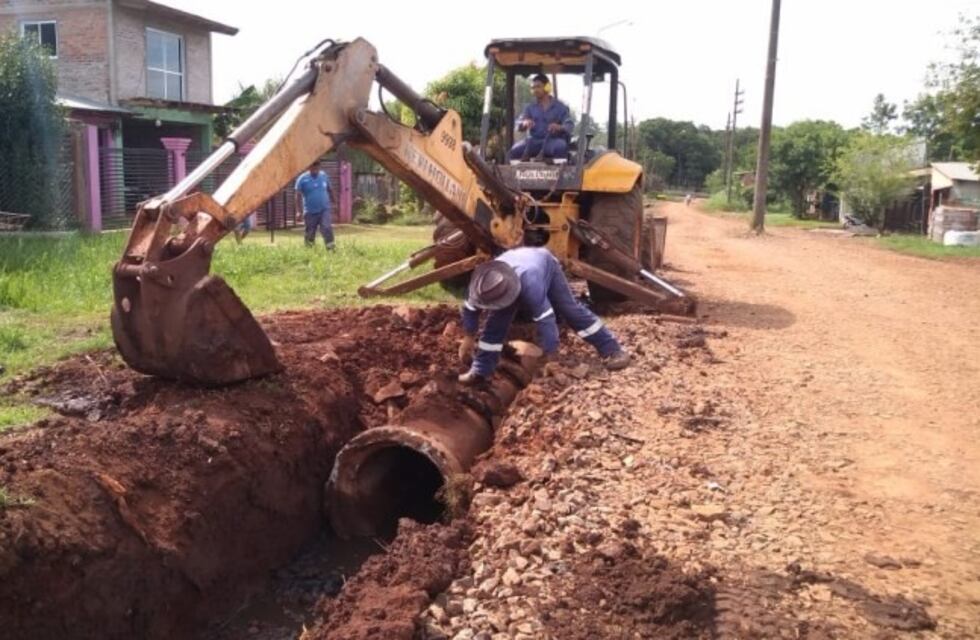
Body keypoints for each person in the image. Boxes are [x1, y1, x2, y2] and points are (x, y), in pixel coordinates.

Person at [457, 247, 631, 385]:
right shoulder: (481, 286)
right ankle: (480, 370)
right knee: (495, 323)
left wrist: (550, 356)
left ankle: (612, 349)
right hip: (513, 268)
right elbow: (470, 309)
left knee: (569, 310)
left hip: (544, 264)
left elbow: (547, 320)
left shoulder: (531, 285)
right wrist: (469, 336)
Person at [509, 74, 574, 162]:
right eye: (533, 88)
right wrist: (524, 123)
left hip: (552, 141)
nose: (535, 90)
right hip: (533, 142)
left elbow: (569, 125)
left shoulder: (560, 107)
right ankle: (515, 174)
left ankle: (560, 174)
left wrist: (559, 127)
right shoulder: (529, 108)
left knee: (561, 146)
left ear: (547, 87)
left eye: (538, 87)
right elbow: (518, 124)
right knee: (515, 150)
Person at [294, 159, 335, 250]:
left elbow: (330, 189)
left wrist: (334, 202)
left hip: (324, 209)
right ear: (309, 167)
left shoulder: (324, 176)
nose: (316, 167)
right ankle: (309, 250)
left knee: (327, 227)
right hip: (310, 211)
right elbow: (297, 195)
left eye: (317, 165)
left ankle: (331, 249)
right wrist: (298, 211)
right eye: (313, 165)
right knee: (310, 232)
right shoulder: (302, 179)